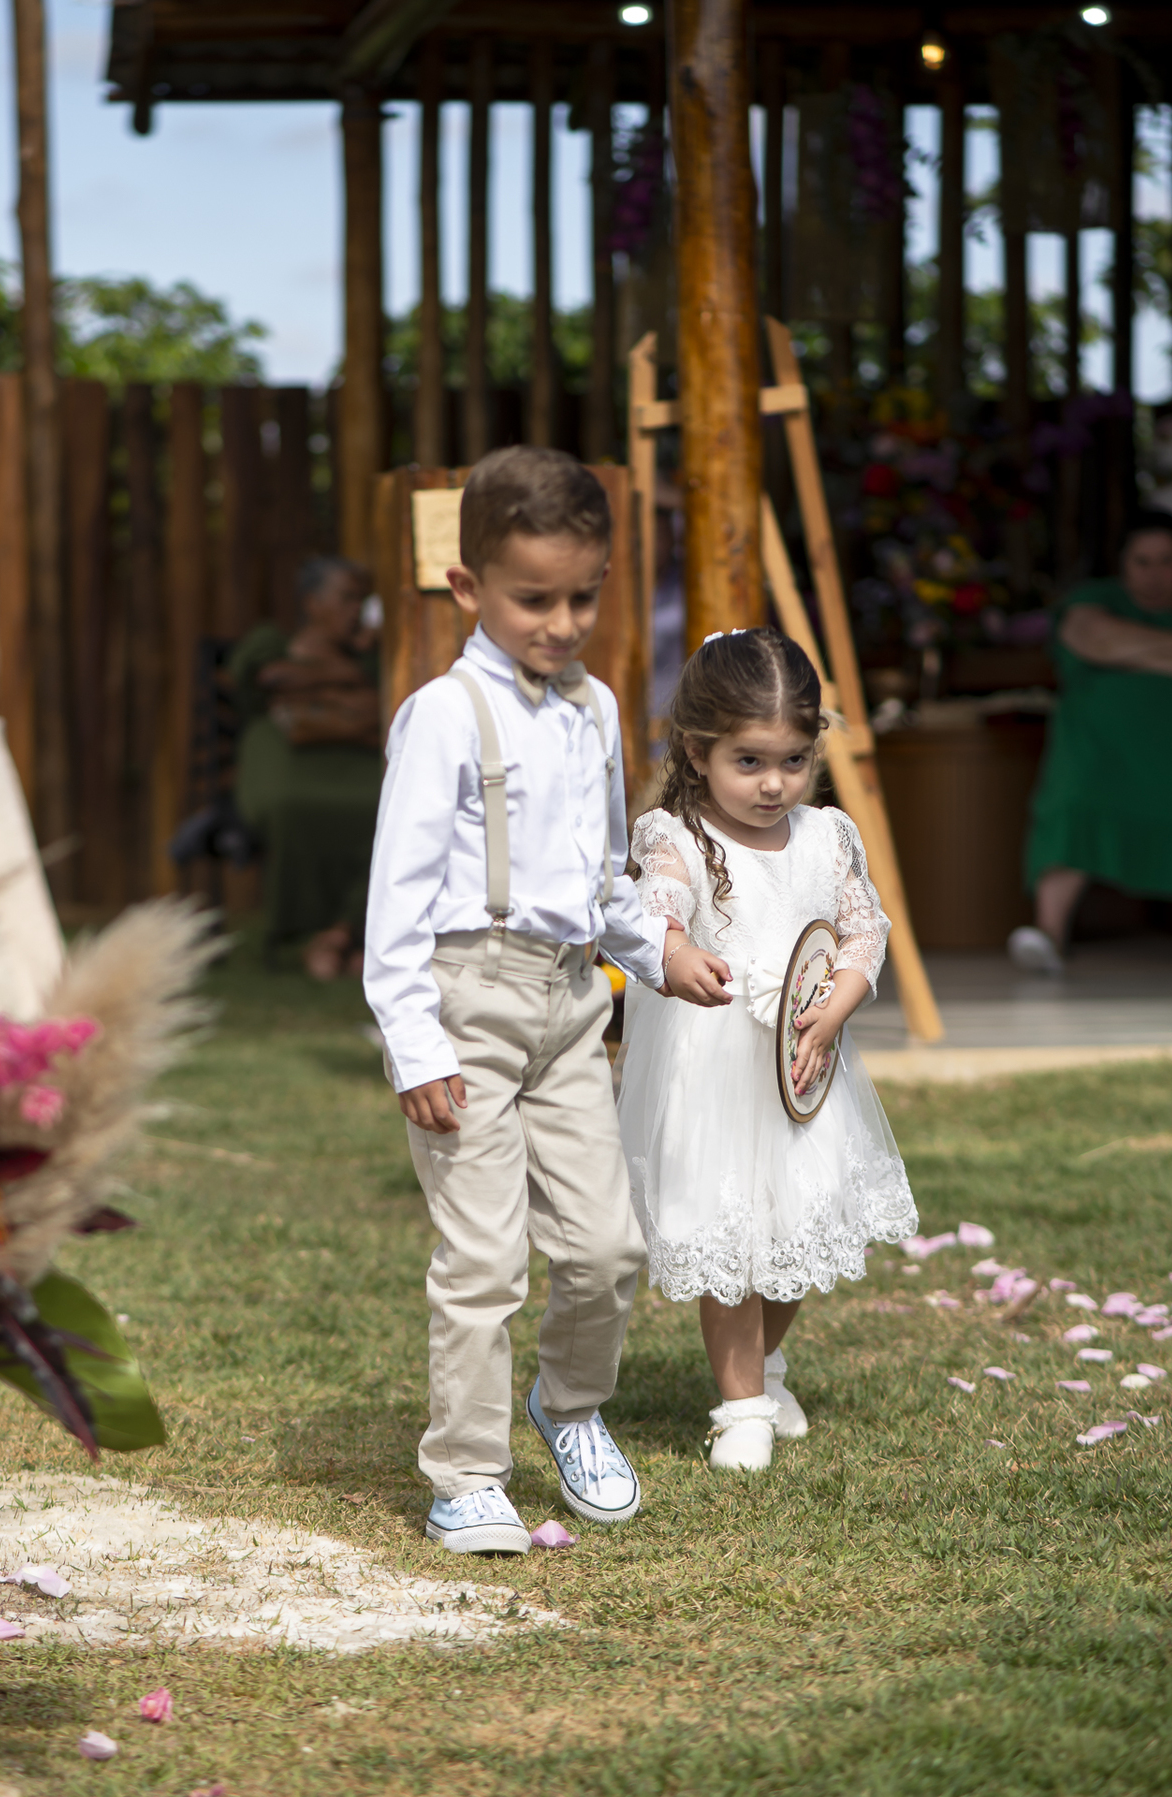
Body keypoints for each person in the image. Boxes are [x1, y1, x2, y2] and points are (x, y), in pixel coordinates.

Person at [363, 447, 727, 1554]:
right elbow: (396, 904)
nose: (563, 622)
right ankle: (466, 1474)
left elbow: (600, 878)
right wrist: (416, 1048)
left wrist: (659, 952)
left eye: (584, 596)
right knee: (483, 1259)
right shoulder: (441, 715)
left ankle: (568, 1408)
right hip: (466, 1000)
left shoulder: (594, 709)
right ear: (468, 588)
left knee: (607, 1248)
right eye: (535, 599)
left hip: (573, 1009)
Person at [617, 629, 919, 1471]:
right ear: (697, 749)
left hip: (803, 1065)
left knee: (795, 1232)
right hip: (714, 1070)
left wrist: (835, 1009)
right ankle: (741, 1403)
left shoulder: (825, 835)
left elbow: (866, 931)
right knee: (731, 1236)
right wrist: (674, 951)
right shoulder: (676, 835)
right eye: (748, 761)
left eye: (791, 759)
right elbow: (658, 912)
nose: (773, 783)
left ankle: (769, 1364)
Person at [1011, 511, 1172, 973]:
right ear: (1123, 563)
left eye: (1167, 561)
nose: (1155, 573)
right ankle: (1049, 933)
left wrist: (1133, 651)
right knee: (1071, 801)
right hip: (1099, 752)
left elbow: (1113, 645)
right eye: (1143, 561)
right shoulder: (1095, 598)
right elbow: (1095, 640)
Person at [230, 557, 383, 978]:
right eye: (346, 598)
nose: (356, 609)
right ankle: (302, 935)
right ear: (313, 604)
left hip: (354, 760)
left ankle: (340, 935)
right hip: (281, 755)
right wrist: (343, 684)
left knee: (388, 808)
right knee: (290, 806)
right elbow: (272, 678)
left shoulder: (372, 655)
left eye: (362, 600)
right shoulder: (270, 640)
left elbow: (380, 704)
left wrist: (320, 684)